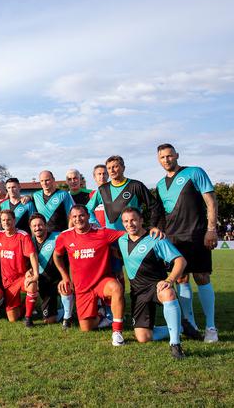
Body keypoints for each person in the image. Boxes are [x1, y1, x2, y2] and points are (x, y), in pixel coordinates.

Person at [156, 143, 219, 343]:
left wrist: (211, 229)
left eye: (169, 155)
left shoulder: (195, 172)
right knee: (181, 279)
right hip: (174, 238)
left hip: (197, 234)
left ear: (177, 155)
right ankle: (190, 325)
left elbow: (211, 202)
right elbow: (163, 215)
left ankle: (211, 327)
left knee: (201, 277)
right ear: (159, 160)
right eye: (162, 157)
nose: (167, 160)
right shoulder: (159, 184)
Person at [53, 206, 127, 345]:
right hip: (82, 287)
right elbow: (57, 256)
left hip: (102, 281)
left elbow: (127, 235)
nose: (78, 219)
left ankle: (117, 332)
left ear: (88, 216)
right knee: (86, 327)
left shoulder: (102, 232)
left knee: (116, 288)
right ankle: (101, 313)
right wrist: (65, 277)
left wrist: (150, 230)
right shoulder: (65, 236)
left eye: (81, 215)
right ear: (71, 219)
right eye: (74, 217)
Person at [119, 207, 187, 358]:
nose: (130, 224)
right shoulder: (121, 239)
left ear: (142, 220)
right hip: (138, 292)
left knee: (168, 293)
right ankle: (181, 327)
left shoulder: (156, 238)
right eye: (126, 221)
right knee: (143, 337)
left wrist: (169, 280)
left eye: (133, 220)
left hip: (156, 285)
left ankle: (175, 344)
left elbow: (180, 261)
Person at [86, 155, 164, 286]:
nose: (112, 170)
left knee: (140, 271)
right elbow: (88, 209)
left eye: (115, 166)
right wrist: (97, 225)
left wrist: (152, 226)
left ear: (123, 168)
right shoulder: (103, 190)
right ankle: (119, 304)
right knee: (116, 274)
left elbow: (154, 206)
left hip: (134, 237)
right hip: (112, 240)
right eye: (109, 168)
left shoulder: (135, 185)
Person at [0, 210, 39, 326]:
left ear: (14, 220)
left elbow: (32, 254)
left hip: (22, 277)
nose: (6, 222)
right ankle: (24, 307)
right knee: (13, 318)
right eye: (3, 220)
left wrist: (35, 274)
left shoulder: (22, 235)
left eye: (9, 219)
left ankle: (28, 317)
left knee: (32, 284)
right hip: (8, 281)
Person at [29, 213, 72, 326]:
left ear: (45, 225)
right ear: (31, 228)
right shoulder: (30, 242)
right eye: (34, 226)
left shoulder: (58, 236)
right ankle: (64, 310)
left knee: (65, 288)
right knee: (48, 321)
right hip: (44, 283)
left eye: (40, 225)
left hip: (60, 278)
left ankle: (68, 317)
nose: (37, 228)